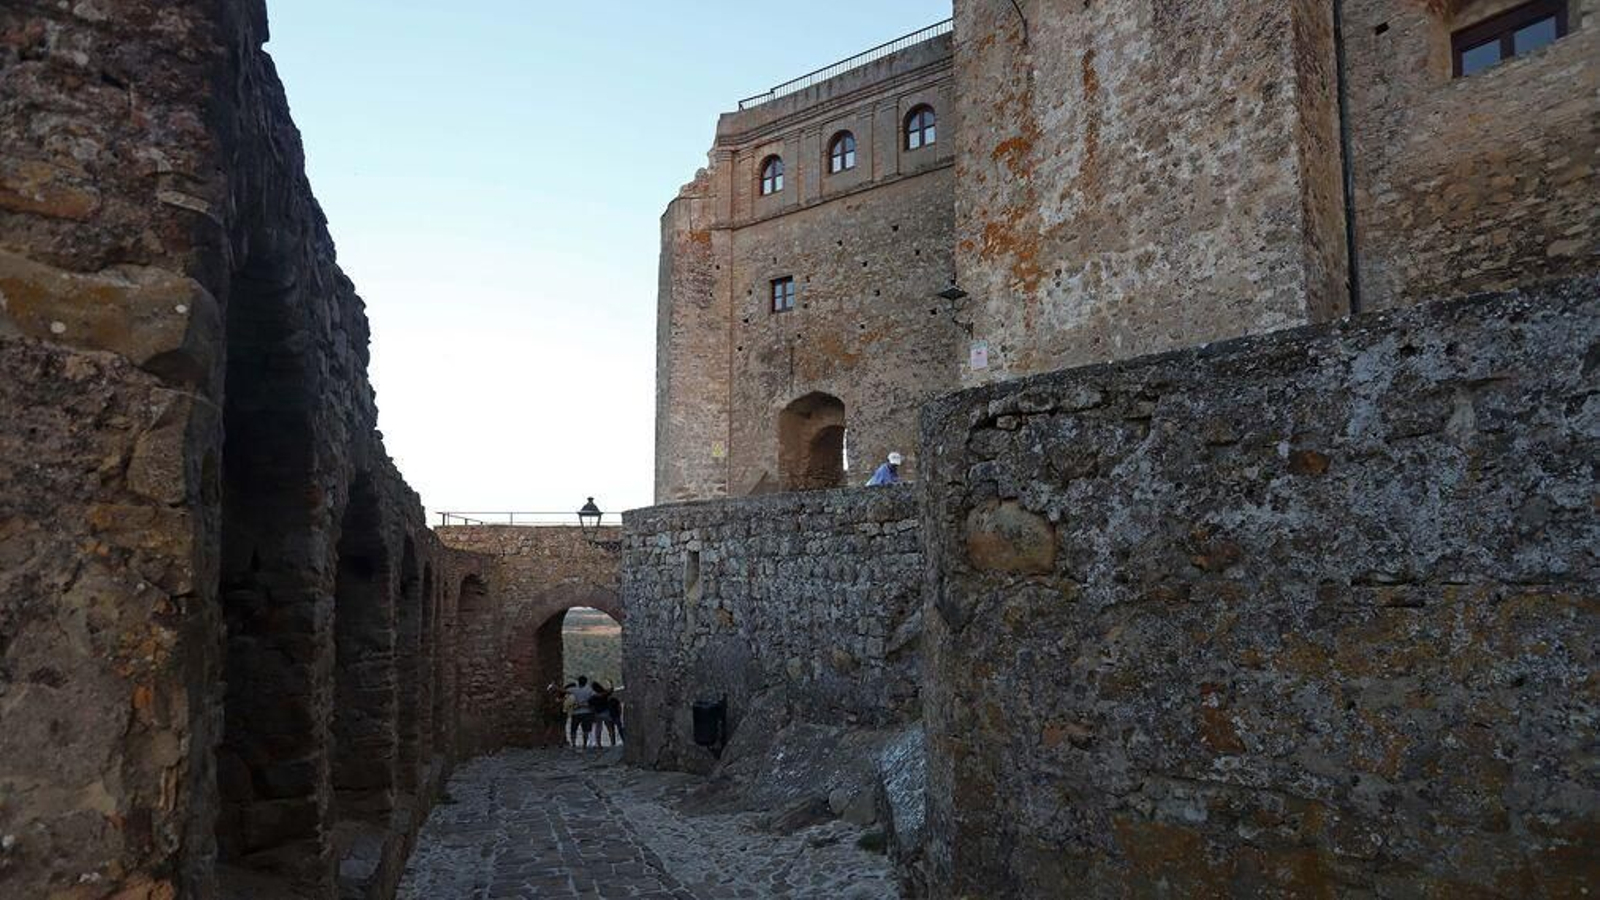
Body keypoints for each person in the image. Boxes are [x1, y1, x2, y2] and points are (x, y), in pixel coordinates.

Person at [567, 676, 596, 748]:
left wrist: (554, 687)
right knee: (585, 730)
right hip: (587, 712)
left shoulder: (574, 689)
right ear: (586, 682)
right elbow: (597, 695)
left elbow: (562, 690)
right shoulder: (589, 690)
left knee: (573, 729)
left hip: (576, 712)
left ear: (578, 681)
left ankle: (573, 743)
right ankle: (585, 744)